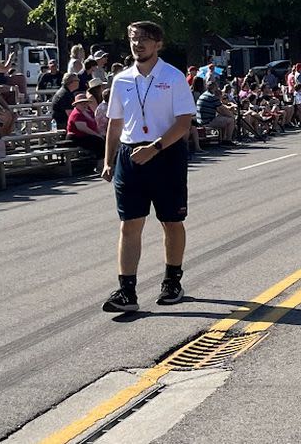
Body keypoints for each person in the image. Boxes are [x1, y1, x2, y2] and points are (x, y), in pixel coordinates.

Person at [100, 21, 197, 313]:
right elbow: (115, 123)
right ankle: (126, 291)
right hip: (131, 157)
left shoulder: (173, 77)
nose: (138, 44)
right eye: (133, 39)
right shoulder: (122, 79)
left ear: (158, 44)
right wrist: (108, 160)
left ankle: (172, 281)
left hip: (165, 155)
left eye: (145, 39)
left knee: (171, 221)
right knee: (129, 224)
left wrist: (155, 147)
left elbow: (183, 123)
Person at [195, 77, 236, 144]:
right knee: (231, 120)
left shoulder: (204, 94)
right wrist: (232, 115)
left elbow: (220, 110)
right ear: (214, 87)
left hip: (200, 119)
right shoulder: (212, 96)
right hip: (207, 121)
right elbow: (222, 109)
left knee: (224, 118)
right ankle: (228, 140)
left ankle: (223, 139)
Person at [66, 91, 105, 157]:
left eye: (85, 103)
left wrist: (99, 133)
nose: (84, 105)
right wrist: (97, 135)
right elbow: (83, 128)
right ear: (76, 104)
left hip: (86, 136)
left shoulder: (88, 112)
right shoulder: (76, 114)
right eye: (81, 103)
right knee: (98, 141)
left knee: (103, 139)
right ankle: (98, 163)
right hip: (77, 137)